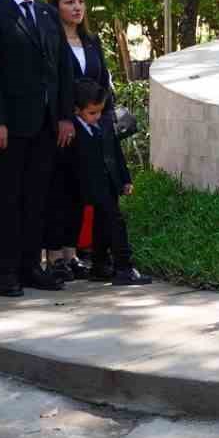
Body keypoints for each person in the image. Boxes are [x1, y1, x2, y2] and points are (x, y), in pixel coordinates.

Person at [0, 0, 72, 295]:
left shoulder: (48, 15)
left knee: (37, 197)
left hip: (46, 125)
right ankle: (7, 271)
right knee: (6, 199)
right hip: (10, 125)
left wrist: (64, 116)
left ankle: (32, 266)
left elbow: (61, 69)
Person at [49, 0, 115, 279]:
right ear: (56, 6)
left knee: (80, 191)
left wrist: (105, 117)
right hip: (61, 127)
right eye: (68, 2)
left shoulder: (91, 40)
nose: (76, 7)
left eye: (80, 1)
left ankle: (73, 253)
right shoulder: (50, 40)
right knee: (58, 192)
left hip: (91, 129)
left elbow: (103, 81)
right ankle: (55, 257)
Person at [71, 79, 150, 286]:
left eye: (99, 111)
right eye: (91, 113)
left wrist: (125, 179)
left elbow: (116, 152)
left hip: (110, 181)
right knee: (115, 221)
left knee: (103, 223)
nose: (97, 117)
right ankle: (123, 266)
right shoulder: (73, 132)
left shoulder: (105, 122)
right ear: (77, 110)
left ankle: (100, 264)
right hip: (91, 183)